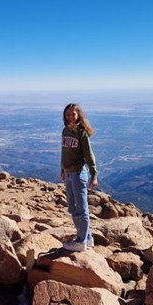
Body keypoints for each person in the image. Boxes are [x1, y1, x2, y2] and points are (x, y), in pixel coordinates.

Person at [60, 103, 98, 251]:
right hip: (68, 173)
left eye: (73, 114)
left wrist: (94, 175)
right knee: (72, 207)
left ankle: (81, 241)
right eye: (68, 114)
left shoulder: (81, 133)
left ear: (78, 116)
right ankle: (87, 238)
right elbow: (64, 152)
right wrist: (62, 170)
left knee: (81, 209)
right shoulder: (65, 131)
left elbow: (89, 155)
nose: (70, 116)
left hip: (78, 173)